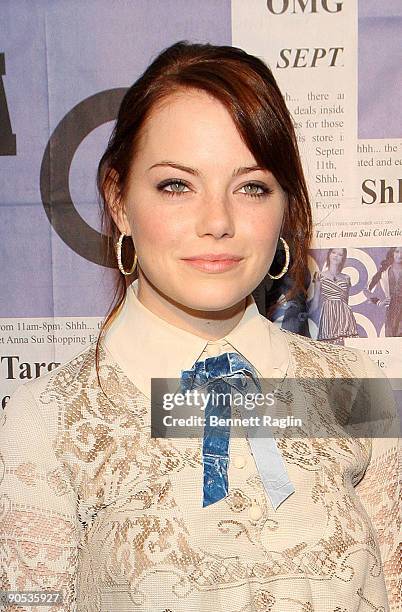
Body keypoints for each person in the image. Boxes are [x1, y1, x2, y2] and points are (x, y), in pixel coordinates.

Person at [1, 41, 400, 612]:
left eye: (252, 187)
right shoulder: (48, 421)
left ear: (284, 206)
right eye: (176, 185)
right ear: (119, 200)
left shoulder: (357, 386)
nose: (218, 222)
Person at [310, 247, 359, 345]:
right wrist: (306, 314)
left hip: (344, 317)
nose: (336, 256)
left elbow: (346, 302)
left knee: (344, 348)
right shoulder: (319, 275)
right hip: (328, 315)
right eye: (334, 252)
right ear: (329, 254)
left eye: (340, 254)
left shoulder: (346, 278)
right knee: (328, 348)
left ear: (343, 259)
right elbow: (315, 302)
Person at [364, 246, 402, 337]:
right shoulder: (384, 271)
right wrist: (378, 302)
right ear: (392, 253)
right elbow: (366, 290)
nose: (400, 255)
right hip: (391, 312)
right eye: (397, 251)